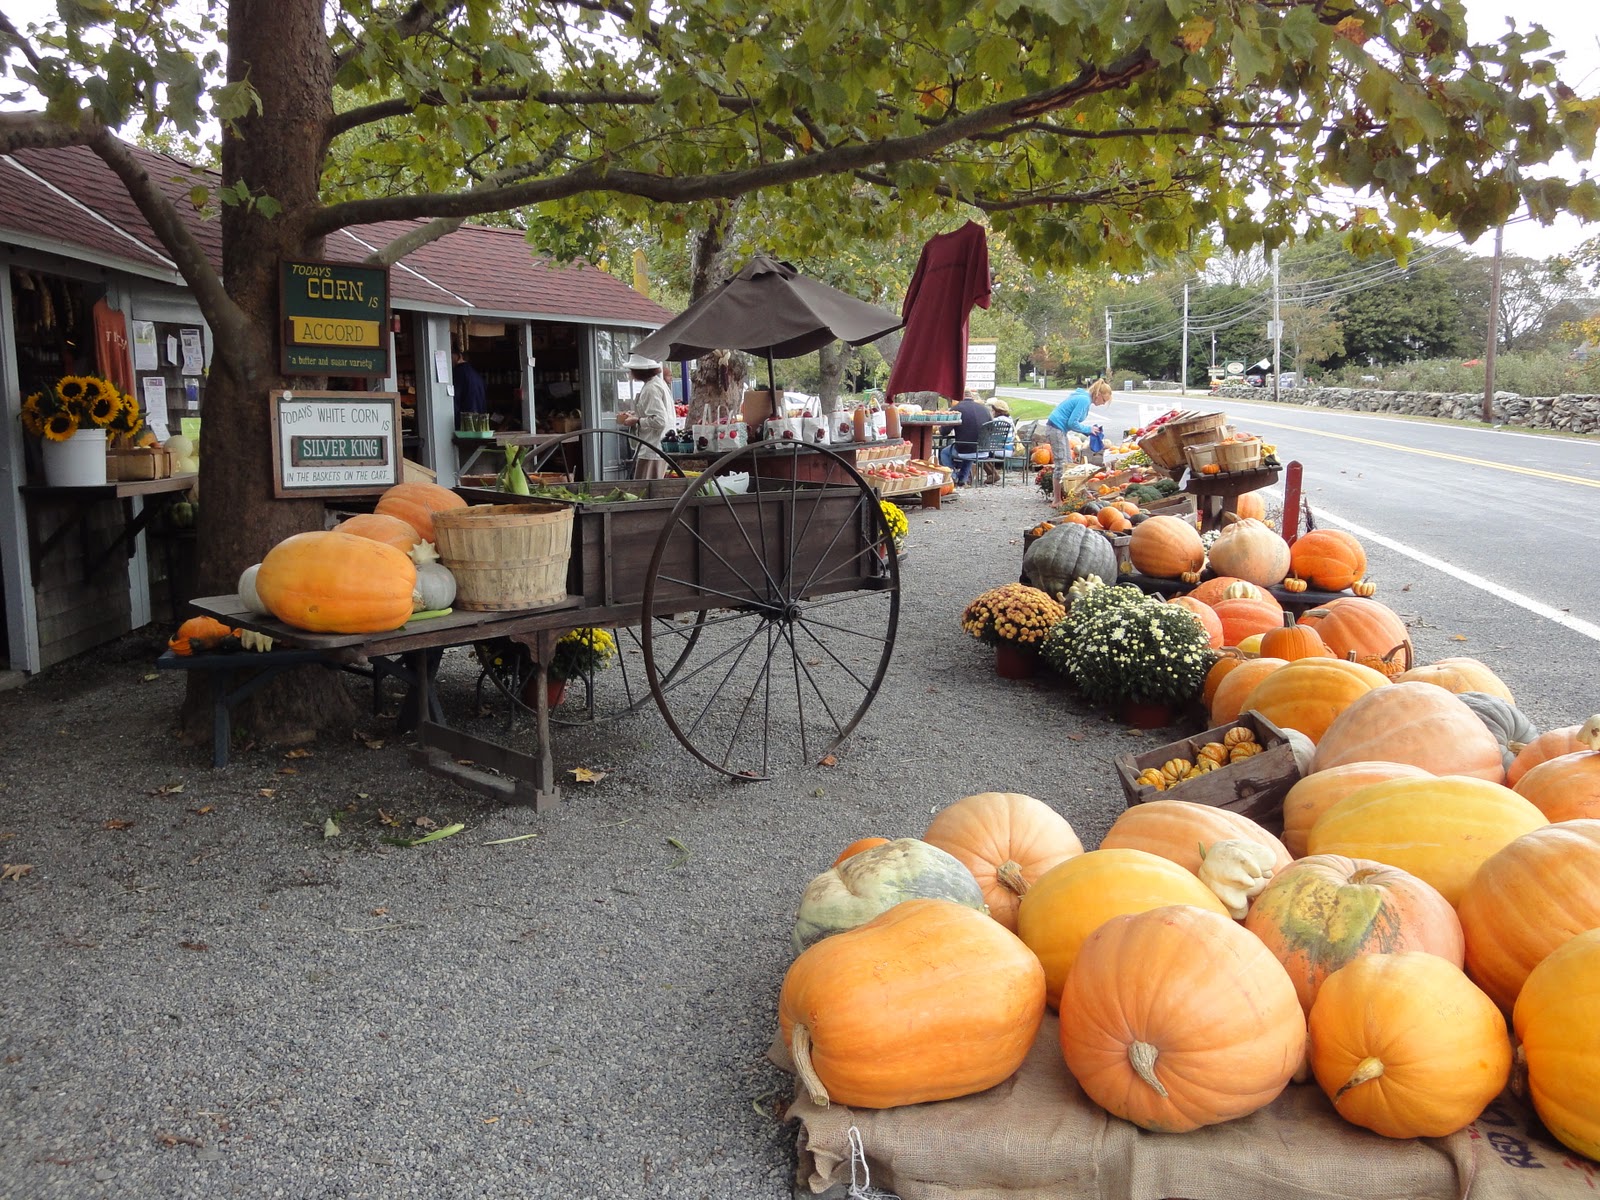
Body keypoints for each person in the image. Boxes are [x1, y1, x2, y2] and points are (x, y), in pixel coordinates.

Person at [1045, 379, 1114, 505]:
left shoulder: (1084, 398)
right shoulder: (1084, 400)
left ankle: (1069, 495)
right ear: (1098, 395)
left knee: (1068, 463)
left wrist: (1089, 432)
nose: (1103, 404)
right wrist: (1088, 429)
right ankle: (1057, 500)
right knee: (1062, 464)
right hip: (1056, 429)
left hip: (1059, 430)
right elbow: (1072, 423)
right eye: (1103, 400)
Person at [616, 352, 673, 480]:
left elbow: (660, 420)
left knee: (646, 490)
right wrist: (635, 415)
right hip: (655, 447)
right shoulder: (657, 384)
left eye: (632, 370)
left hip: (652, 448)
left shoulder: (651, 388)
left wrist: (637, 420)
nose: (630, 373)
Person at [944, 391, 994, 487]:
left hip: (965, 449)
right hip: (983, 449)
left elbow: (944, 431)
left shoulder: (956, 409)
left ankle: (952, 476)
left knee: (945, 453)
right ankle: (963, 478)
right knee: (970, 448)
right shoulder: (984, 409)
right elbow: (991, 429)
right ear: (972, 397)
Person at [981, 398, 1015, 484]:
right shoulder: (1009, 420)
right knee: (982, 452)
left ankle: (993, 474)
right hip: (1008, 449)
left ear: (996, 411)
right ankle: (993, 474)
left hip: (997, 449)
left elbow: (985, 434)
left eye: (992, 410)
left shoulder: (996, 421)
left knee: (978, 452)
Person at [452, 345, 487, 425]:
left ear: (459, 355)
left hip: (464, 423)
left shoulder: (458, 373)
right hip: (479, 422)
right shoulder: (476, 374)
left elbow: (454, 401)